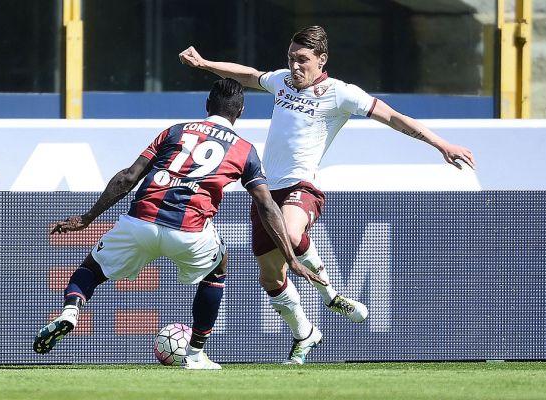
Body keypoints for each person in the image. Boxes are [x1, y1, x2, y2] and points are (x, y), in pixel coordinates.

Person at [179, 25, 476, 364]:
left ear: (322, 60)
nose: (294, 67)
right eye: (291, 58)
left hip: (301, 185)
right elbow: (250, 75)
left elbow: (393, 116)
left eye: (302, 60)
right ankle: (305, 333)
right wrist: (204, 64)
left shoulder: (341, 93)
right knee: (270, 277)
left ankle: (330, 294)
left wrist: (441, 144)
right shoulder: (282, 82)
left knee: (291, 233)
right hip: (263, 190)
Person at [33, 78, 323, 369]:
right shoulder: (244, 150)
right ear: (241, 112)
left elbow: (128, 178)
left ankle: (71, 310)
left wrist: (86, 219)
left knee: (91, 269)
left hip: (140, 221)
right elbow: (266, 205)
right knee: (218, 267)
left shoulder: (175, 131)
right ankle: (195, 354)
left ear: (207, 105)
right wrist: (291, 258)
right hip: (189, 232)